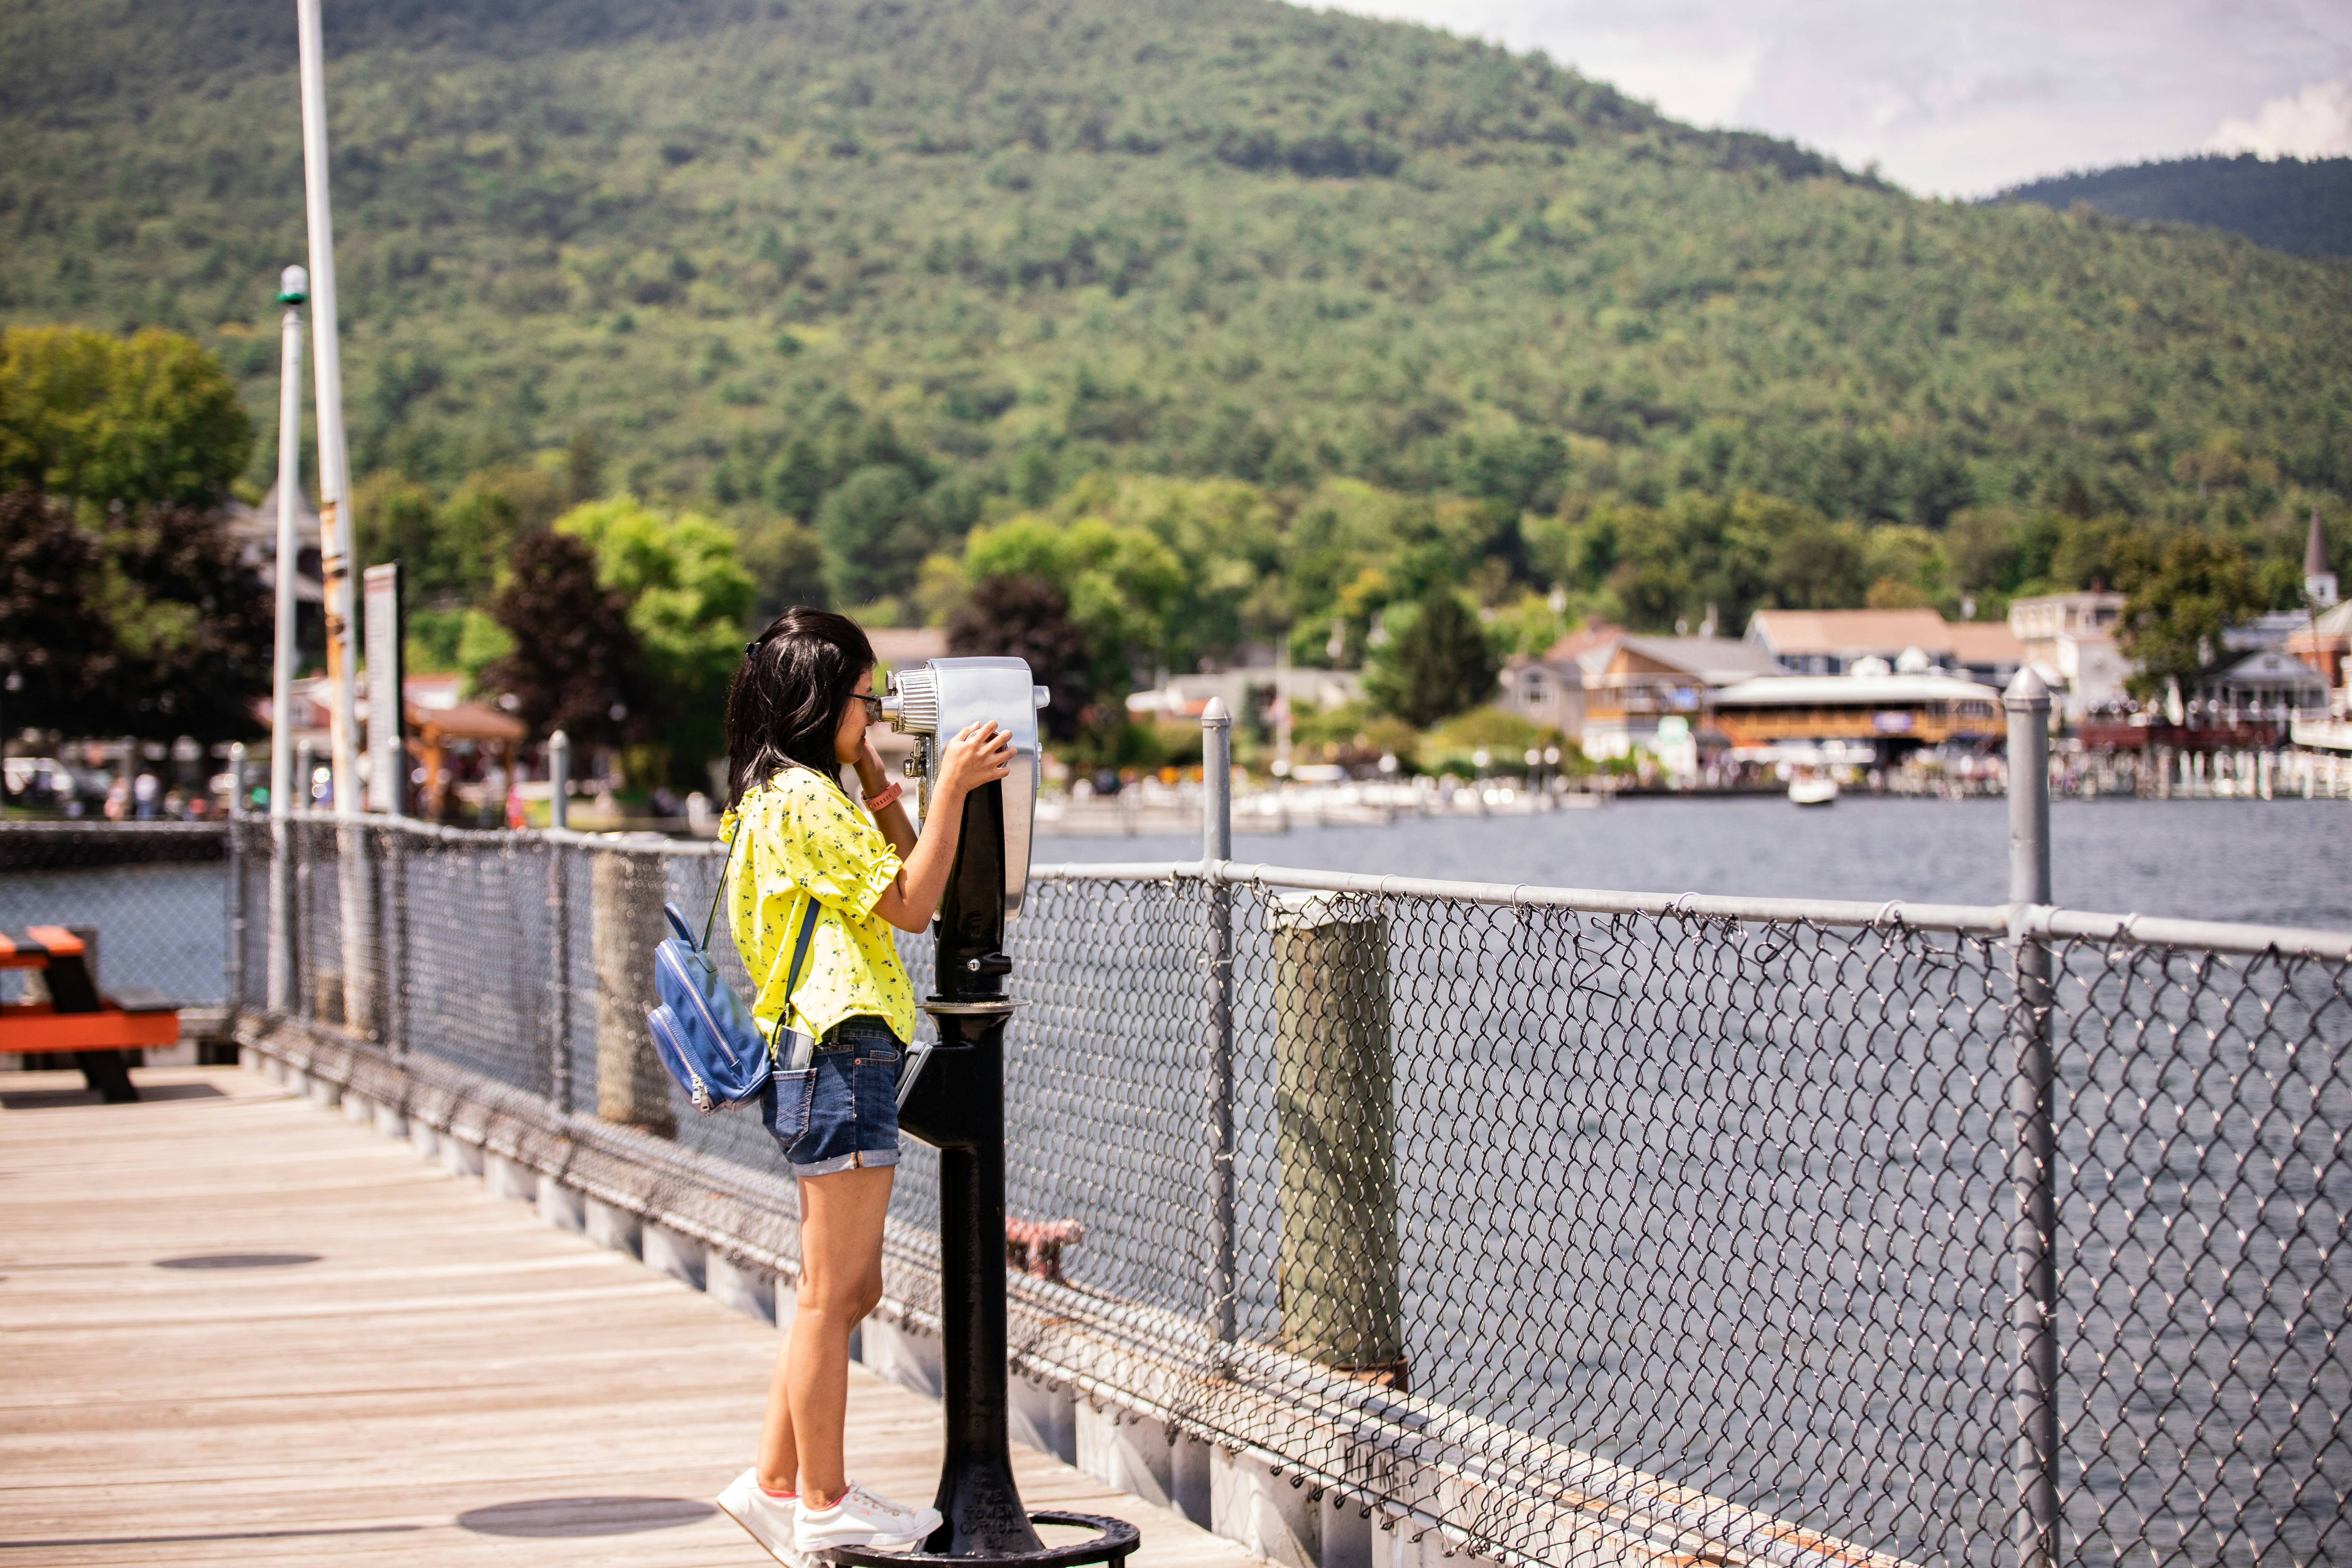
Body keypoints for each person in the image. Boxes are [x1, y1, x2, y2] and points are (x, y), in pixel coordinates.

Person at [713, 607, 1013, 1563]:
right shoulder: (804, 800)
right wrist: (956, 787)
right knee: (832, 1293)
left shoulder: (781, 792)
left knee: (842, 1288)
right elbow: (916, 902)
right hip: (840, 1050)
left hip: (829, 1053)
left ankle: (773, 1484)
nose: (876, 712)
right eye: (864, 697)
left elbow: (885, 870)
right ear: (817, 702)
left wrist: (883, 776)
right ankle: (824, 1500)